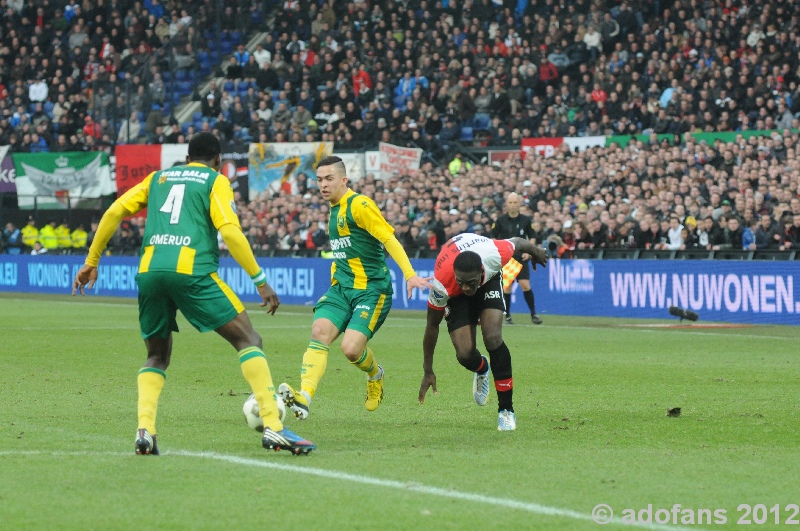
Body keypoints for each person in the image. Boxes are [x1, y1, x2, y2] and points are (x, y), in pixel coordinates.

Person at [72, 133, 315, 456]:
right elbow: (229, 230)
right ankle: (274, 426)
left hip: (149, 270)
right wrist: (259, 279)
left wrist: (92, 261)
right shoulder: (215, 180)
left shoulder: (158, 178)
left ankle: (145, 430)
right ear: (217, 159)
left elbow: (114, 211)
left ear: (188, 157)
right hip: (191, 269)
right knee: (249, 340)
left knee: (157, 355)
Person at [278, 156, 431, 420]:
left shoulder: (360, 205)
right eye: (320, 180)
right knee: (319, 331)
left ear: (343, 180)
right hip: (341, 289)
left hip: (372, 291)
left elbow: (388, 239)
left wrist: (409, 274)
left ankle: (376, 375)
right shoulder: (333, 207)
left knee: (350, 350)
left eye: (329, 179)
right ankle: (304, 398)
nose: (323, 185)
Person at [419, 233, 547, 430]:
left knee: (493, 337)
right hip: (455, 296)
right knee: (464, 354)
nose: (466, 287)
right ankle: (481, 368)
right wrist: (428, 370)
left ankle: (506, 410)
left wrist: (537, 252)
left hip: (489, 282)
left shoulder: (495, 255)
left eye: (470, 282)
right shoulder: (443, 285)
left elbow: (519, 242)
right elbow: (431, 326)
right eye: (461, 281)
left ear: (481, 271)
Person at [490, 192, 542, 324]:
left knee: (525, 285)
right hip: (507, 258)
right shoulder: (500, 221)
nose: (513, 205)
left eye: (515, 203)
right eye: (510, 203)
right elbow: (493, 237)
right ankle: (507, 315)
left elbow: (533, 236)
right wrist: (499, 251)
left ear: (519, 204)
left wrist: (530, 251)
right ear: (507, 204)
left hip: (521, 257)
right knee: (507, 287)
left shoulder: (525, 220)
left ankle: (534, 314)